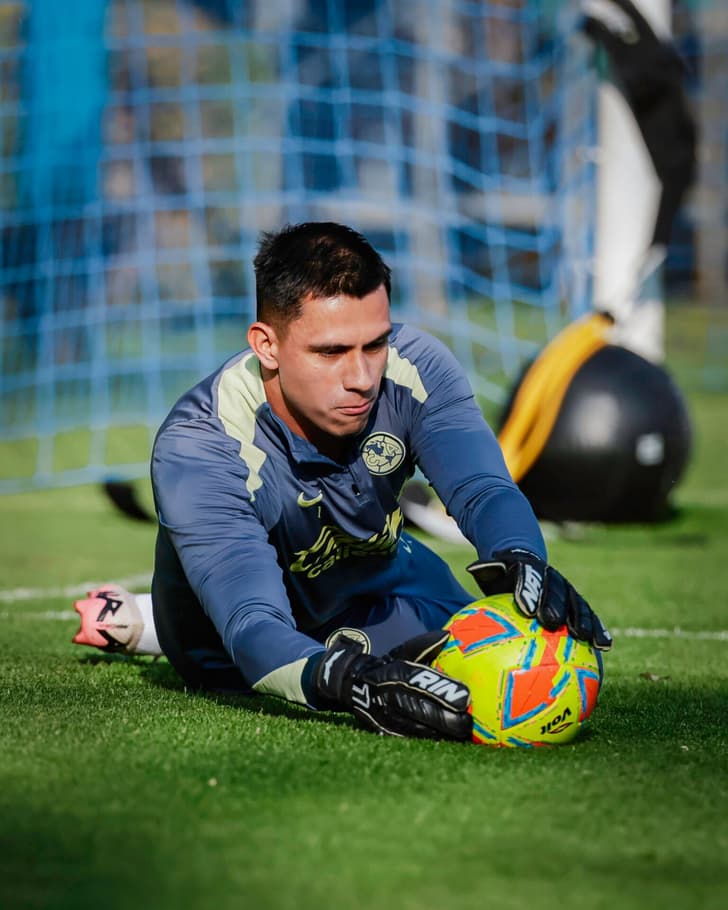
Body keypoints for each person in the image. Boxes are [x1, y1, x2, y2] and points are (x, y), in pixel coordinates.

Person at [73, 221, 611, 741]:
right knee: (420, 680)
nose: (360, 378)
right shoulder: (201, 446)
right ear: (266, 345)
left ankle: (143, 618)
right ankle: (154, 624)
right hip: (242, 641)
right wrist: (351, 680)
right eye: (330, 352)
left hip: (380, 582)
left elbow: (484, 489)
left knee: (532, 648)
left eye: (374, 344)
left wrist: (523, 557)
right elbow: (252, 626)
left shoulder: (416, 367)